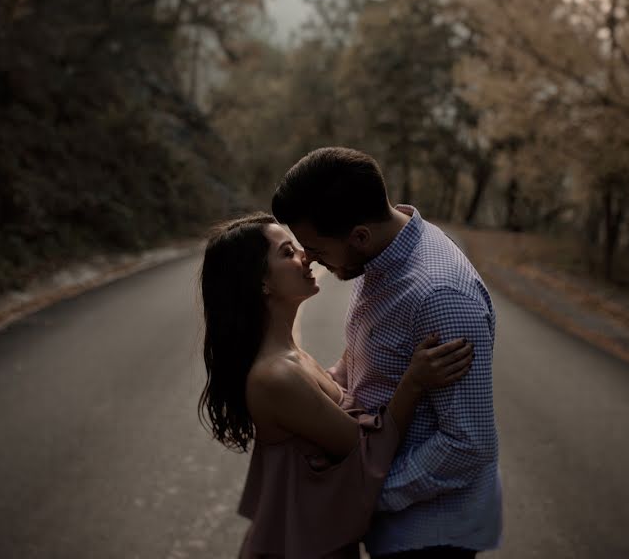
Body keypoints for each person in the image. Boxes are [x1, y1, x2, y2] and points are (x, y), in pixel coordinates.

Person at [198, 212, 475, 558]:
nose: (306, 256)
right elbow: (365, 451)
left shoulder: (289, 354)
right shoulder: (274, 376)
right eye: (287, 252)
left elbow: (335, 387)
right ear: (261, 283)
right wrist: (414, 382)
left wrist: (374, 333)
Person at [271, 147, 502, 558]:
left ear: (359, 235)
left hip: (427, 533)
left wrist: (371, 492)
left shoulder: (439, 295)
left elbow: (469, 443)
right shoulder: (379, 255)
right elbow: (367, 362)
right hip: (389, 515)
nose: (309, 259)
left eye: (318, 250)